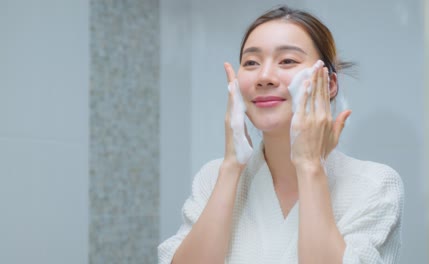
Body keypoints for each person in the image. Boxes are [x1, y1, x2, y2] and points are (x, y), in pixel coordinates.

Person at [158, 5, 404, 264]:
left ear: (329, 84)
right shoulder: (212, 178)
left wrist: (310, 166)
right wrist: (231, 167)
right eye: (251, 63)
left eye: (287, 60)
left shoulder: (374, 185)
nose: (264, 77)